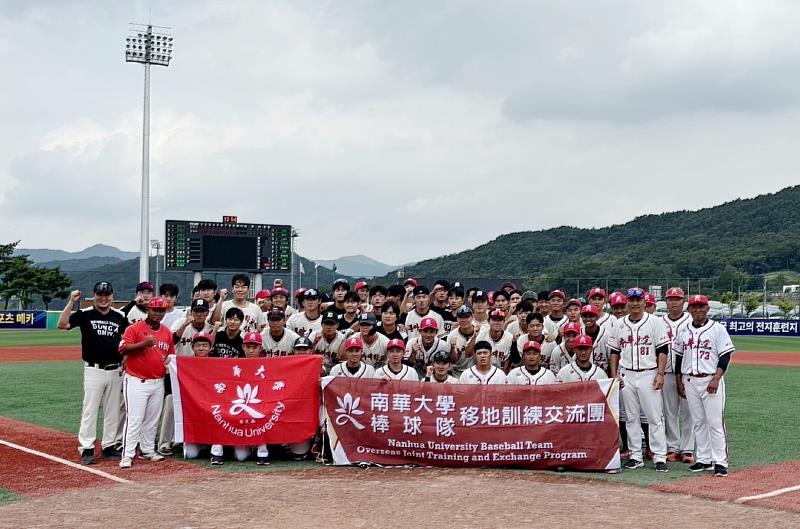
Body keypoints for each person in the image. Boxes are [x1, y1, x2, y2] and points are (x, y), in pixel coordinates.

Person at [58, 281, 128, 465]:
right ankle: (87, 448)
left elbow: (127, 340)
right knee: (90, 410)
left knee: (113, 411)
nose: (103, 298)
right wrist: (71, 302)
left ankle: (109, 445)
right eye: (100, 295)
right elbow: (62, 324)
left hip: (116, 369)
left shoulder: (120, 316)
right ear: (94, 295)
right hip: (93, 369)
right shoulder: (85, 314)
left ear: (112, 296)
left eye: (107, 295)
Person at [607, 287, 670, 472]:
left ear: (644, 302)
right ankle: (635, 456)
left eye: (638, 300)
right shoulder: (619, 324)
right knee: (631, 418)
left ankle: (659, 456)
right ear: (627, 302)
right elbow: (614, 352)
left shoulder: (655, 322)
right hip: (626, 373)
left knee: (654, 417)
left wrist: (660, 374)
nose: (635, 303)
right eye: (631, 300)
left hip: (649, 373)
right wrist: (614, 375)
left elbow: (663, 350)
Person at [673, 295, 735, 478]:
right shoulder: (683, 330)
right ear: (689, 310)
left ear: (707, 309)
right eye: (694, 307)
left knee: (715, 423)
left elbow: (725, 356)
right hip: (690, 380)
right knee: (698, 422)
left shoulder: (717, 329)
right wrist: (679, 380)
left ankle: (720, 462)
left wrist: (717, 378)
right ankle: (704, 459)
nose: (698, 310)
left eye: (701, 306)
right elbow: (678, 357)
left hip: (710, 379)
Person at [117, 297, 174, 468]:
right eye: (155, 310)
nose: (158, 313)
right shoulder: (134, 329)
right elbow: (122, 349)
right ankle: (127, 454)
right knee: (134, 419)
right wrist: (144, 344)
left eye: (161, 310)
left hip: (157, 381)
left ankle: (147, 450)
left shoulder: (166, 332)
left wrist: (167, 362)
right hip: (136, 380)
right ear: (148, 310)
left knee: (152, 419)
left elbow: (170, 355)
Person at [660, 287, 694, 464]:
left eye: (677, 299)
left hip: (688, 372)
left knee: (689, 412)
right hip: (666, 372)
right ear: (666, 301)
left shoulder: (691, 321)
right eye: (670, 299)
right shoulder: (660, 322)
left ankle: (687, 449)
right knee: (669, 412)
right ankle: (672, 447)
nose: (674, 302)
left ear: (683, 301)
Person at [580, 305, 611, 374]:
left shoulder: (607, 335)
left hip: (603, 375)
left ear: (597, 317)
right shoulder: (578, 333)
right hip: (582, 375)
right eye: (585, 316)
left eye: (591, 316)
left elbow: (611, 359)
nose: (588, 319)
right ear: (581, 317)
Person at [447, 305, 477, 376]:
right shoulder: (452, 335)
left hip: (476, 372)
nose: (464, 320)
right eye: (461, 317)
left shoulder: (480, 332)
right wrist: (452, 347)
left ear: (472, 317)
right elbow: (453, 361)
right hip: (457, 372)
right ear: (457, 319)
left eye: (467, 317)